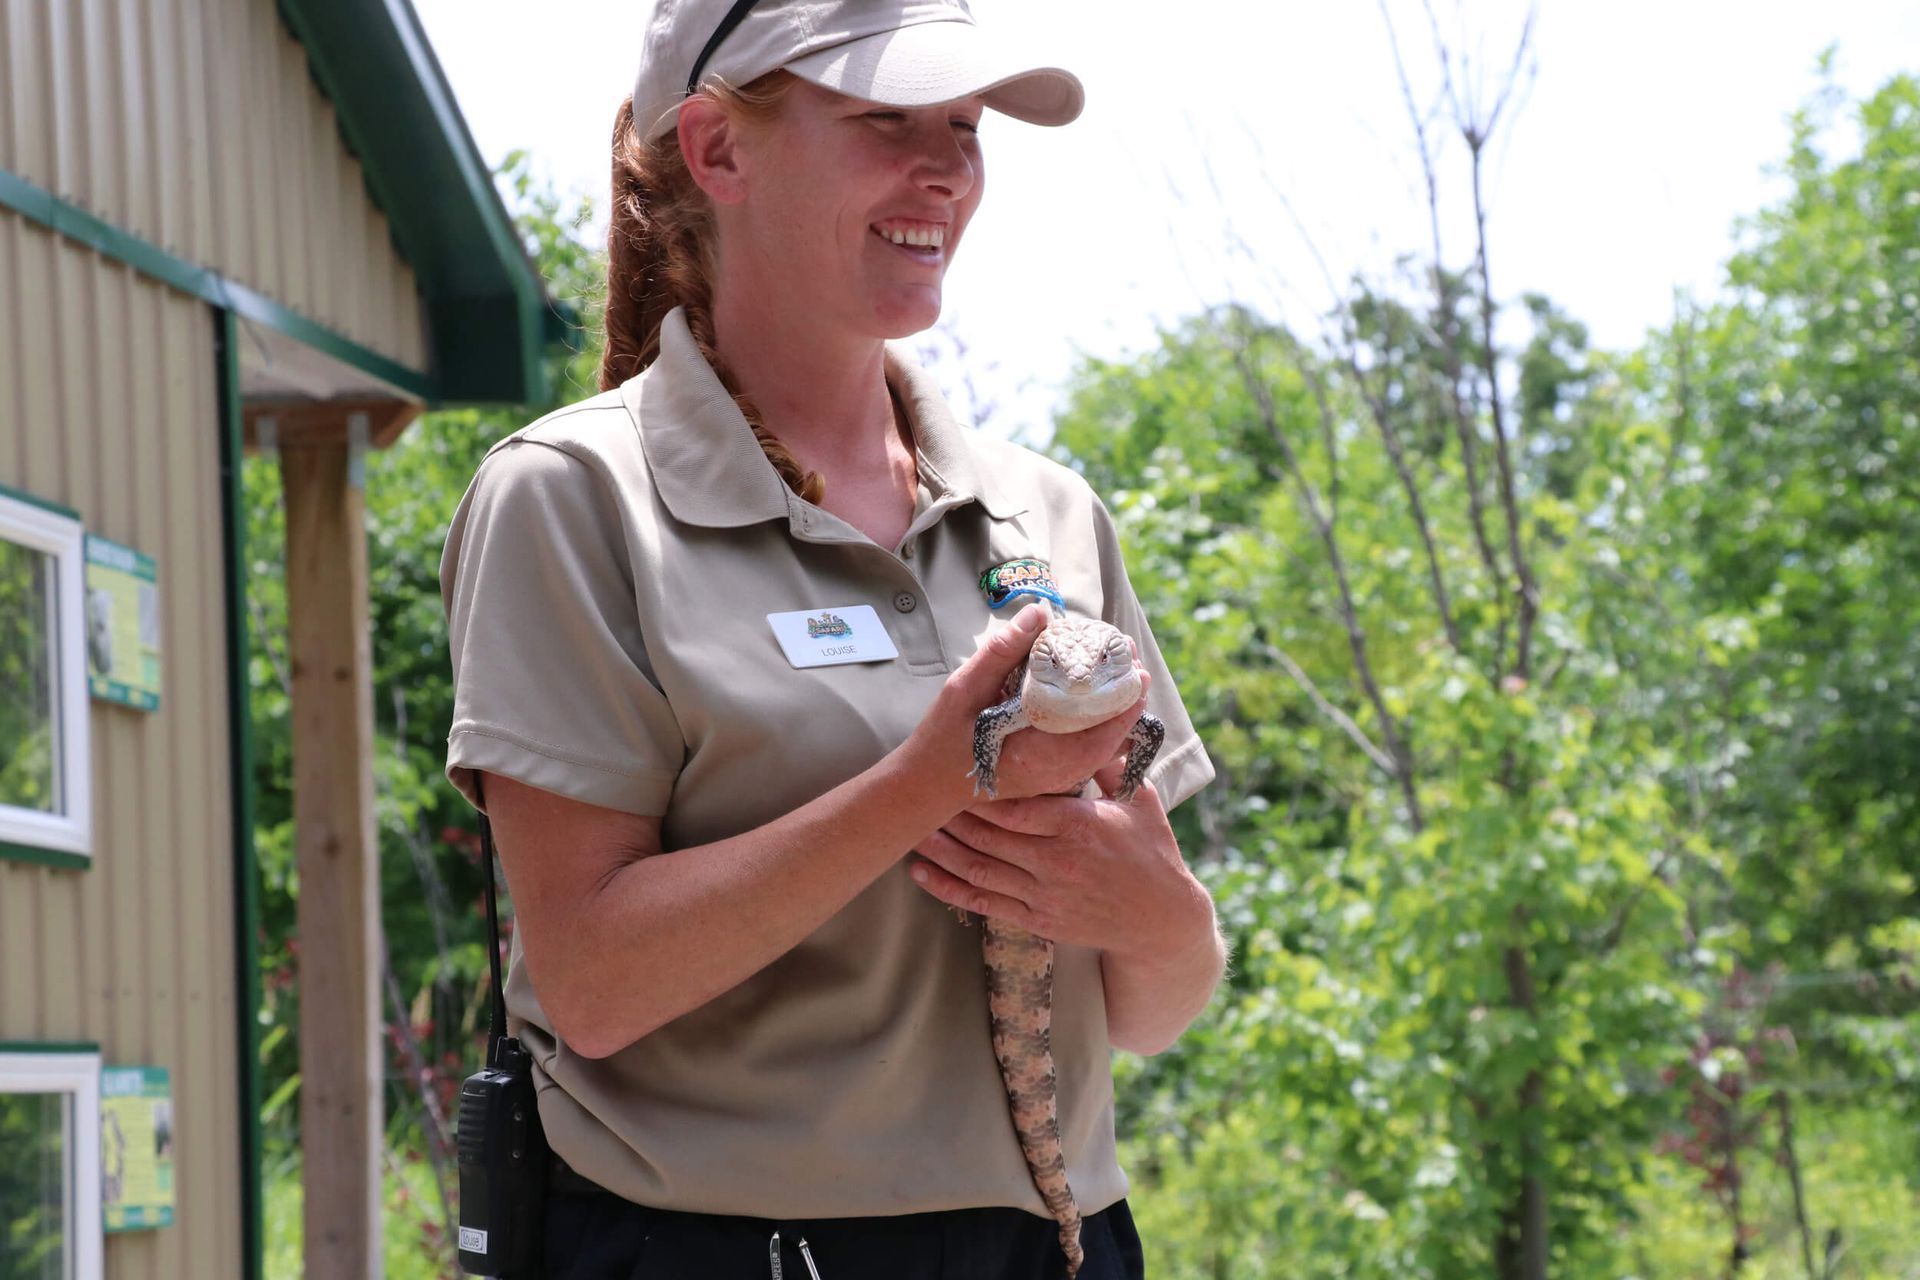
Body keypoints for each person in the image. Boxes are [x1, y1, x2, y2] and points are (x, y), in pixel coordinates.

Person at [438, 1, 1225, 1275]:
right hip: (721, 1248)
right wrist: (927, 783)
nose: (946, 169)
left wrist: (1162, 918)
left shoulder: (1046, 511)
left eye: (965, 125)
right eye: (883, 120)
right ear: (718, 149)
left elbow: (1149, 1006)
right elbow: (589, 982)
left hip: (1065, 1243)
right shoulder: (574, 496)